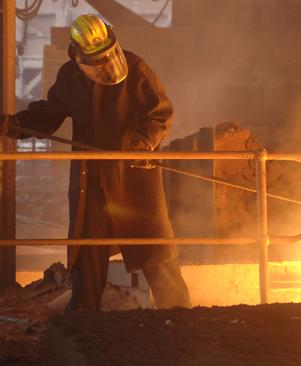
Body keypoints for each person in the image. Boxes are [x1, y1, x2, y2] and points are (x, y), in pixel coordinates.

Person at [0, 14, 191, 311]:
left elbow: (159, 114)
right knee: (87, 256)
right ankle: (84, 320)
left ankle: (179, 315)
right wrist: (13, 125)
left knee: (154, 250)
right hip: (91, 182)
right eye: (96, 61)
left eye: (107, 57)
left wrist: (141, 145)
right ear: (77, 54)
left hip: (132, 177)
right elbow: (48, 115)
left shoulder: (135, 68)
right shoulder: (70, 77)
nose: (104, 66)